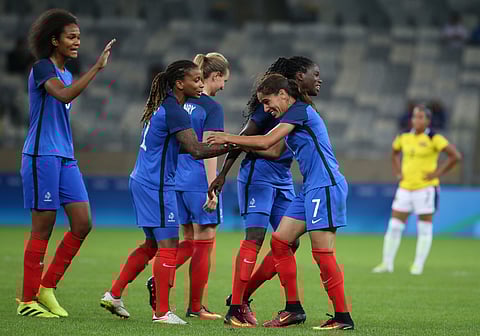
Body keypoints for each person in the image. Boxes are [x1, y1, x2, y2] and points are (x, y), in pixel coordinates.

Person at [207, 73, 355, 330]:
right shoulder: (290, 116)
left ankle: (342, 317)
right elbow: (274, 149)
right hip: (309, 188)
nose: (266, 109)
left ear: (283, 94)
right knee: (281, 241)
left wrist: (227, 137)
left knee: (322, 254)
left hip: (325, 186)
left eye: (267, 102)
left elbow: (265, 141)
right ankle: (293, 309)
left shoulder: (300, 111)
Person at [99, 60, 232, 324]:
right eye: (195, 80)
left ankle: (114, 294)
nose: (200, 84)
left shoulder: (167, 107)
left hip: (143, 180)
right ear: (179, 83)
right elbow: (196, 149)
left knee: (151, 245)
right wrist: (236, 146)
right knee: (169, 245)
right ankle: (161, 312)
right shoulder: (176, 112)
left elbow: (178, 147)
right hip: (156, 185)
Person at [17, 9, 115, 319]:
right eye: (71, 37)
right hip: (41, 156)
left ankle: (48, 287)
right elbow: (62, 96)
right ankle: (26, 300)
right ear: (54, 40)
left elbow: (67, 92)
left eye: (79, 37)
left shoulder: (68, 73)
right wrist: (98, 68)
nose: (77, 42)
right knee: (42, 229)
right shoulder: (43, 68)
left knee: (83, 223)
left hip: (65, 157)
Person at [146, 52, 230, 320]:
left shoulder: (179, 102)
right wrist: (212, 187)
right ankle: (195, 306)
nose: (223, 87)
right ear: (214, 76)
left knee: (187, 241)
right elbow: (209, 148)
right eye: (223, 80)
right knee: (204, 242)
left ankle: (161, 276)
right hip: (198, 181)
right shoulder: (210, 107)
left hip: (175, 181)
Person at [372, 105, 461, 275]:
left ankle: (418, 265)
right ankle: (386, 263)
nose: (417, 120)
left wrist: (438, 173)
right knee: (394, 226)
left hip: (426, 189)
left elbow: (455, 156)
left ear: (428, 120)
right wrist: (398, 172)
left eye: (421, 117)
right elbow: (394, 153)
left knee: (424, 227)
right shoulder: (404, 136)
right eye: (415, 117)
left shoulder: (435, 138)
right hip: (405, 188)